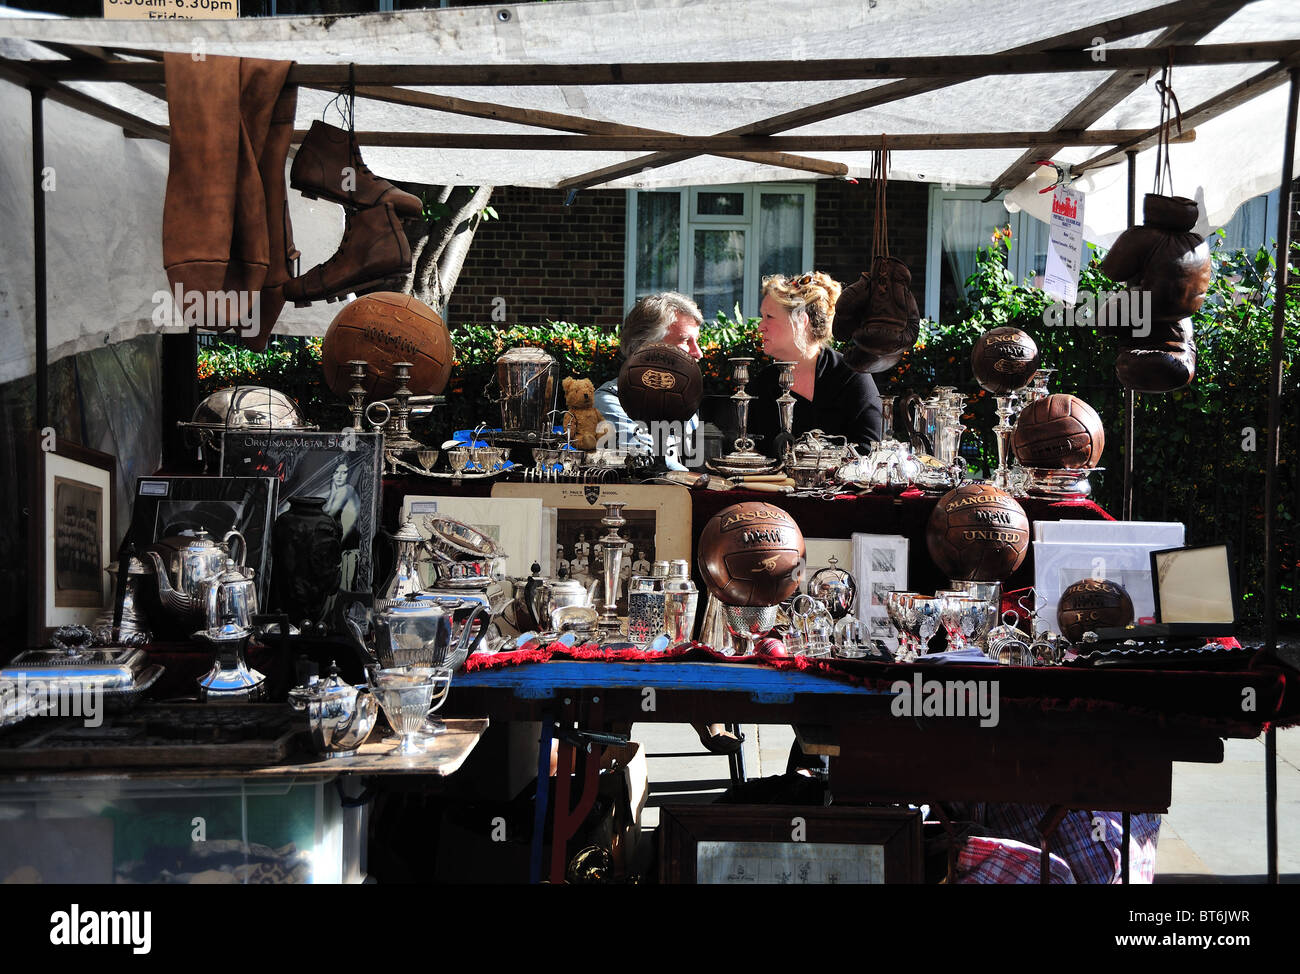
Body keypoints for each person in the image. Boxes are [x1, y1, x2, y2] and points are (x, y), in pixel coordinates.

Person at [748, 272, 884, 457]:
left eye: (769, 317)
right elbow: (749, 451)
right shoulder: (763, 383)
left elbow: (870, 451)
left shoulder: (851, 376)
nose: (760, 327)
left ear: (801, 321)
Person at [594, 292, 704, 471]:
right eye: (685, 341)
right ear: (646, 348)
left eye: (697, 341)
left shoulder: (684, 400)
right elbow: (650, 460)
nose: (698, 353)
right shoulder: (610, 401)